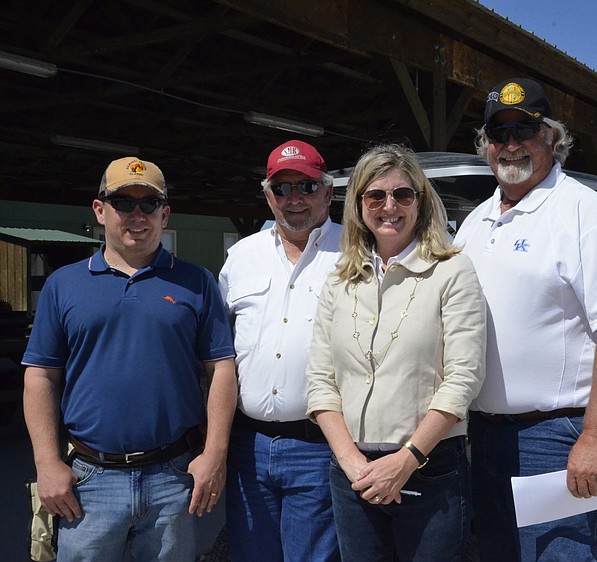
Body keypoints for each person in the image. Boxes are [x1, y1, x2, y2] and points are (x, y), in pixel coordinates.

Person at [453, 78, 597, 561]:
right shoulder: (476, 222)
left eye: (525, 130)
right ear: (486, 147)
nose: (511, 144)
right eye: (499, 134)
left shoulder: (586, 214)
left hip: (557, 437)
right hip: (487, 435)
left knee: (560, 554)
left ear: (552, 138)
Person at [22, 156, 237, 561]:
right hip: (88, 480)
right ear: (100, 210)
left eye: (149, 204)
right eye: (123, 202)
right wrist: (47, 462)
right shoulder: (63, 285)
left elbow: (221, 368)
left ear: (165, 213)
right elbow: (40, 377)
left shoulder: (196, 282)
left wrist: (214, 455)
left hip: (172, 478)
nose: (137, 215)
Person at [306, 144, 486, 561]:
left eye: (403, 195)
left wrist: (407, 458)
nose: (390, 206)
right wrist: (351, 462)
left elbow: (463, 379)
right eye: (376, 195)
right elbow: (320, 380)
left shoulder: (452, 270)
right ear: (359, 204)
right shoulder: (340, 279)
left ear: (420, 202)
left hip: (430, 467)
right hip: (353, 471)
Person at [218, 140, 342, 562]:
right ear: (267, 194)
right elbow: (218, 355)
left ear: (328, 192)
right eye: (283, 188)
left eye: (306, 187)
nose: (295, 200)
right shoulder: (240, 257)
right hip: (247, 448)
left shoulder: (356, 255)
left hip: (320, 447)